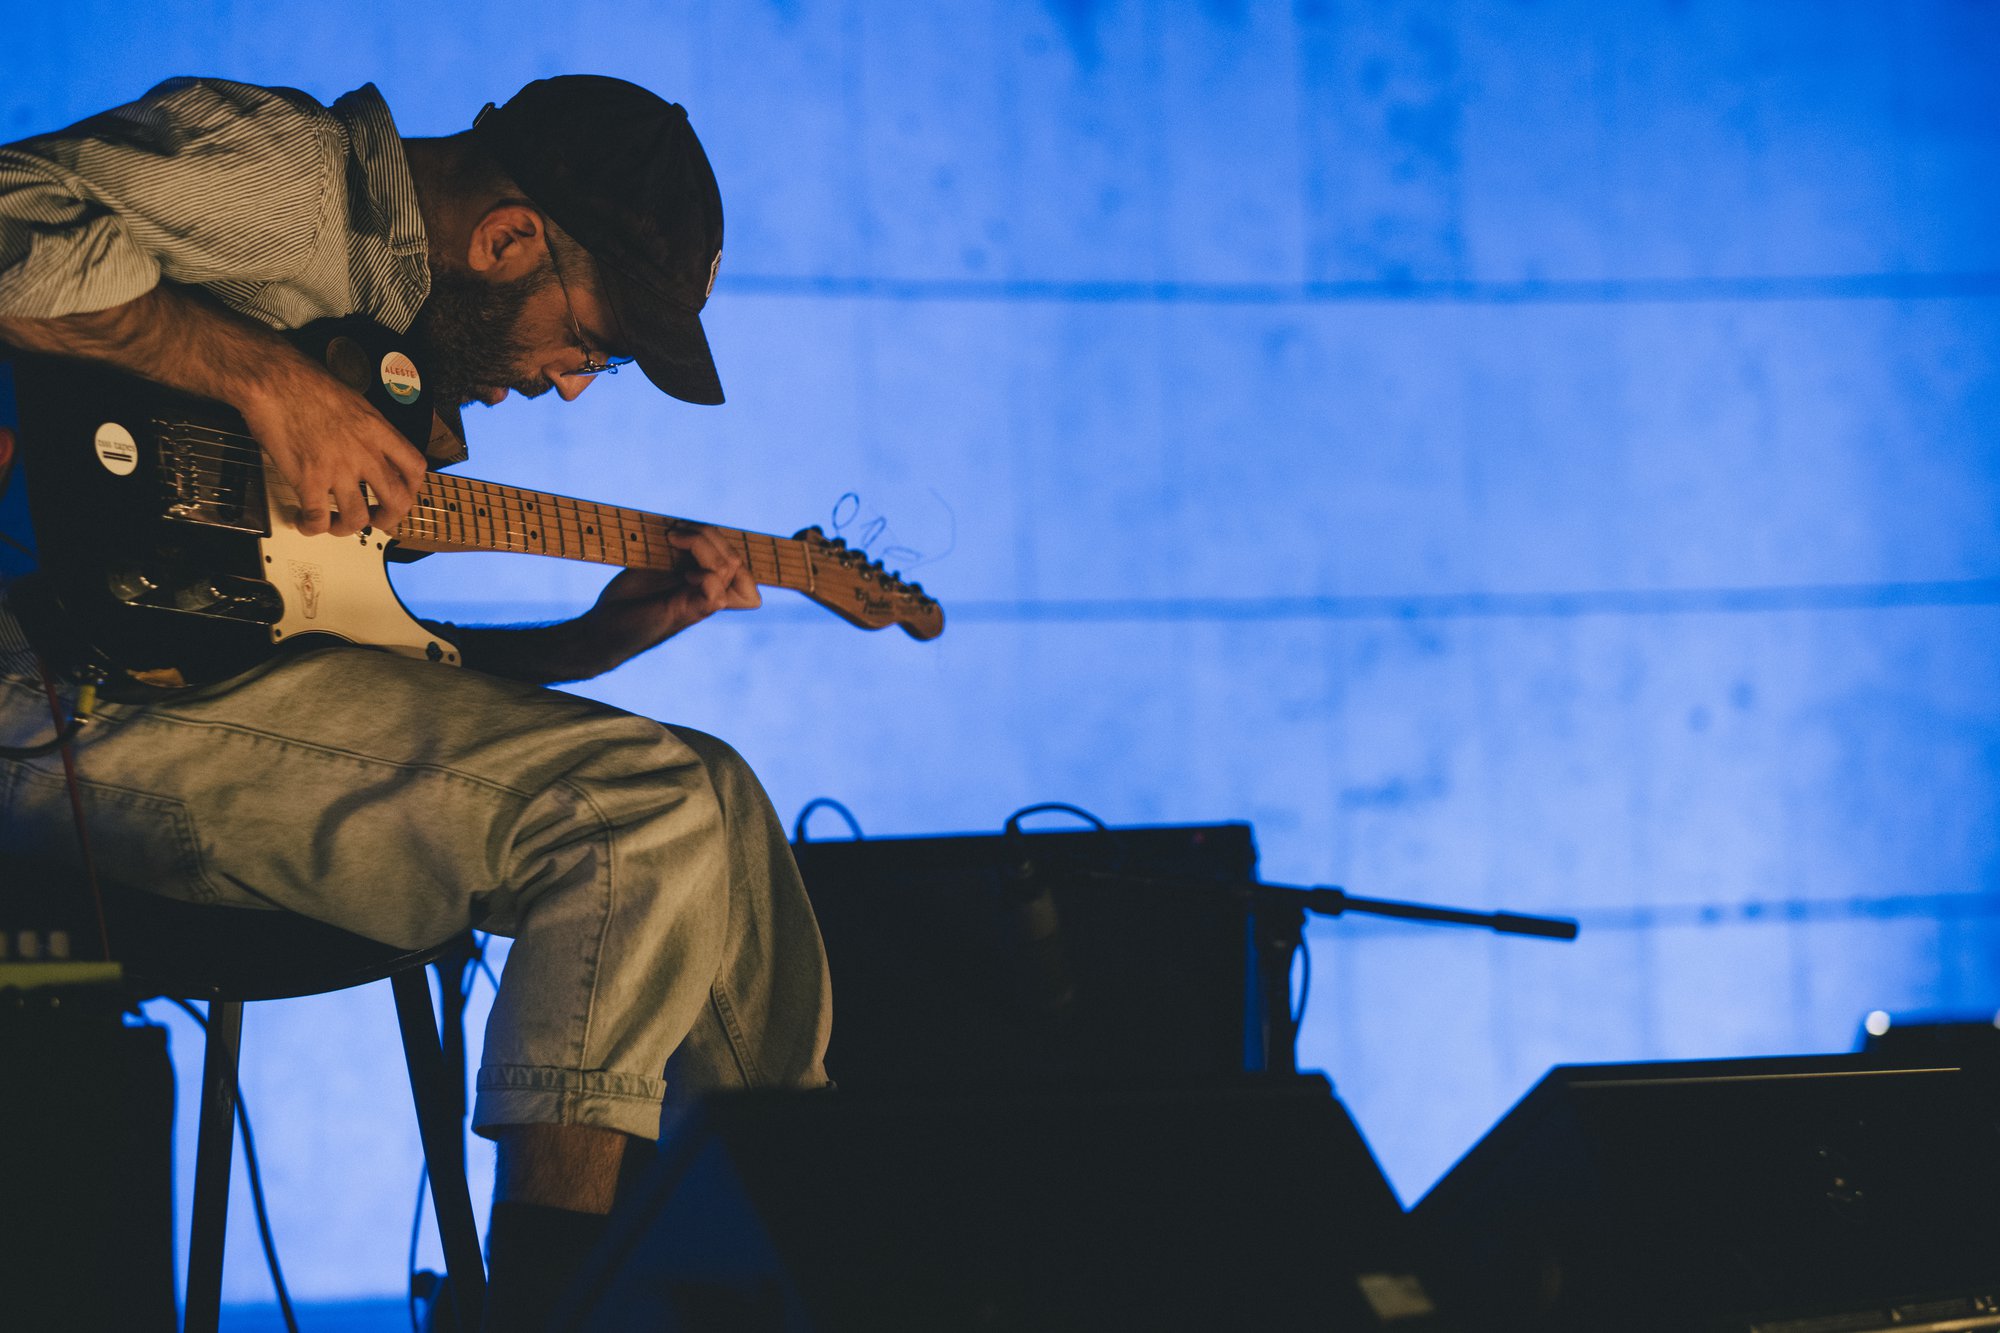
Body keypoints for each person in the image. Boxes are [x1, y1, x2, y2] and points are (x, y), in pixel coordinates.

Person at [0, 74, 833, 1328]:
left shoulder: (386, 364)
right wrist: (272, 389)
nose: (568, 386)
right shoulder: (293, 179)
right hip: (61, 698)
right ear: (507, 240)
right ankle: (558, 1302)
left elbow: (366, 695)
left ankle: (810, 1263)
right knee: (635, 807)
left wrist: (590, 642)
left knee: (709, 785)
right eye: (591, 344)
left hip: (208, 705)